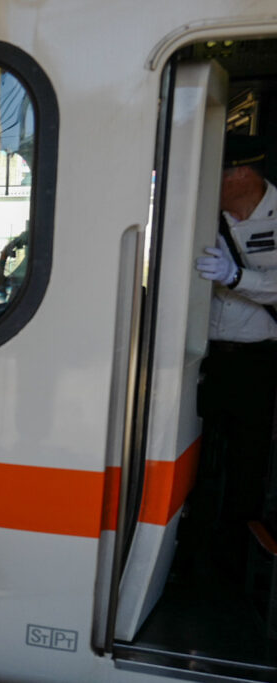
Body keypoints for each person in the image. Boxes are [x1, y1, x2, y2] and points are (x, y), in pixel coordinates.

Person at [192, 134, 277, 575]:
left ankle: (232, 562)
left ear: (241, 172)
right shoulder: (206, 213)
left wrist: (236, 276)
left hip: (257, 362)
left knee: (247, 462)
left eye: (218, 173)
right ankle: (193, 549)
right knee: (200, 455)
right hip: (208, 357)